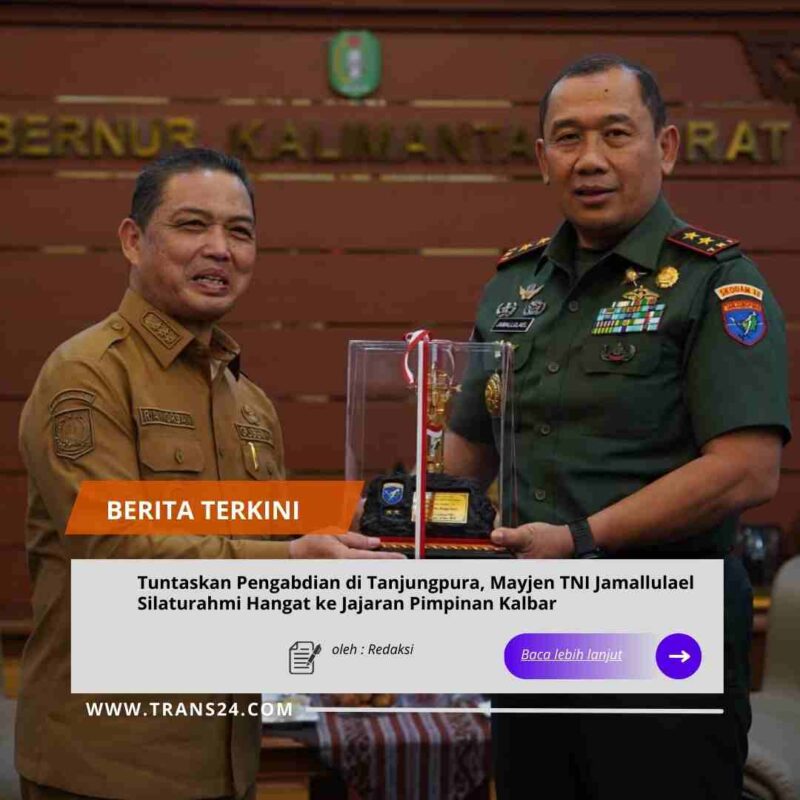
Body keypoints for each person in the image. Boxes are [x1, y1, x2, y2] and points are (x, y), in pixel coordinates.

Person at [446, 55, 790, 798]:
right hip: (533, 622)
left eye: (615, 133)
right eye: (569, 138)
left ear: (665, 148)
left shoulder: (716, 282)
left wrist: (579, 539)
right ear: (543, 158)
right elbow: (466, 449)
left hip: (663, 624)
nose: (590, 159)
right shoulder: (513, 288)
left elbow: (747, 468)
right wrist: (416, 523)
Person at [16, 147, 400, 800]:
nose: (220, 249)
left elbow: (263, 548)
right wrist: (296, 563)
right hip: (109, 766)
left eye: (240, 232)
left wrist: (353, 603)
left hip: (228, 762)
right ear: (133, 240)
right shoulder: (89, 374)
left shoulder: (249, 404)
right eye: (192, 225)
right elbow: (114, 554)